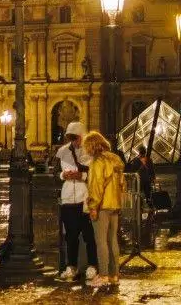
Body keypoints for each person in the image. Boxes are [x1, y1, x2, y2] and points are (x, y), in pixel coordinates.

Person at [55, 120, 98, 283]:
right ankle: (71, 266)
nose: (74, 141)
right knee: (71, 236)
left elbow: (96, 174)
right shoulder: (62, 151)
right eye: (71, 138)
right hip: (68, 199)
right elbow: (54, 172)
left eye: (76, 138)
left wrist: (83, 176)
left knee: (89, 235)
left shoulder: (91, 152)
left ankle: (92, 265)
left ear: (83, 136)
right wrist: (62, 175)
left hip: (84, 198)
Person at [83, 131, 124, 288]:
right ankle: (114, 275)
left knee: (101, 242)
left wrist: (93, 206)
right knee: (112, 240)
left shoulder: (97, 161)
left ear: (91, 145)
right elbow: (122, 183)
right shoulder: (115, 159)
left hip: (102, 206)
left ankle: (104, 275)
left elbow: (96, 186)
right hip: (115, 204)